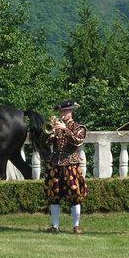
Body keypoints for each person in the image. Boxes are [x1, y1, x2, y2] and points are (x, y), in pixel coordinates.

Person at [43, 100, 89, 233]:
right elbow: (45, 142)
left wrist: (65, 129)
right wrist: (49, 130)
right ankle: (55, 226)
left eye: (66, 111)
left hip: (71, 165)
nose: (63, 114)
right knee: (54, 196)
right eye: (61, 111)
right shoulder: (56, 127)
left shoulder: (78, 127)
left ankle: (76, 226)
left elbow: (77, 141)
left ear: (71, 112)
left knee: (75, 196)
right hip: (55, 165)